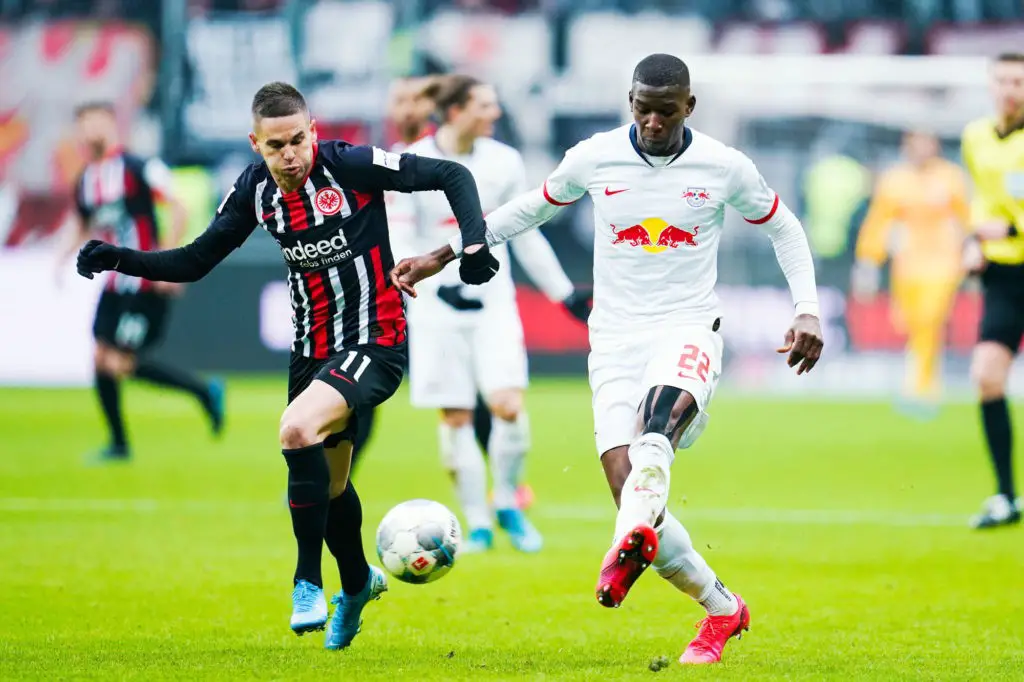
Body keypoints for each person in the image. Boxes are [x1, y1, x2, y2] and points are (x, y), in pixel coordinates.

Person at [392, 54, 823, 665]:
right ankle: (722, 607)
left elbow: (785, 228)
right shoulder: (595, 157)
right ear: (630, 103)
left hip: (688, 325)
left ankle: (621, 548)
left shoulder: (724, 166)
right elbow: (529, 209)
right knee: (633, 492)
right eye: (643, 109)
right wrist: (442, 254)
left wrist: (806, 308)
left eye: (666, 111)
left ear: (689, 107)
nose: (653, 122)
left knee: (655, 432)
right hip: (614, 340)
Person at [75, 82, 499, 649]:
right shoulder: (254, 190)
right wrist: (118, 258)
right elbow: (196, 260)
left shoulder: (349, 164)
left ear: (313, 131)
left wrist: (473, 244)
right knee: (333, 486)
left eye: (298, 140)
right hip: (311, 350)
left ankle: (307, 582)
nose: (291, 155)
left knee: (296, 430)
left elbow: (452, 174)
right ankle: (358, 584)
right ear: (257, 144)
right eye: (276, 146)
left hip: (376, 338)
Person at [389, 74, 590, 554]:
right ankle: (477, 524)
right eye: (484, 105)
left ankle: (507, 503)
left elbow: (526, 232)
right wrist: (429, 286)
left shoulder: (504, 162)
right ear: (456, 111)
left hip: (493, 303)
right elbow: (399, 234)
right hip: (435, 310)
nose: (494, 113)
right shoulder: (409, 162)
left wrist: (562, 293)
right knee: (456, 416)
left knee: (508, 405)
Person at [56, 102, 224, 462]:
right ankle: (118, 443)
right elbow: (84, 223)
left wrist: (167, 262)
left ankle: (203, 391)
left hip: (144, 280)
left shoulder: (138, 167)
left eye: (96, 122)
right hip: (114, 284)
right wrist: (61, 258)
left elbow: (178, 206)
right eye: (84, 124)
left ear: (111, 125)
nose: (90, 131)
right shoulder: (86, 180)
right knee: (100, 358)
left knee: (119, 361)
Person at [851, 130, 969, 418]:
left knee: (930, 319)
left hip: (943, 262)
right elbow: (878, 222)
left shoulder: (951, 178)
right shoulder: (895, 180)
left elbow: (966, 217)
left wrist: (972, 252)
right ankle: (919, 379)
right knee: (911, 323)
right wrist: (868, 261)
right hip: (907, 264)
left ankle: (923, 387)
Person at [960, 52, 1024, 530]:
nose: (1010, 90)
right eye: (1003, 81)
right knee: (986, 375)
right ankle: (1006, 497)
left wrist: (1012, 229)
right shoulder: (976, 137)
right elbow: (983, 200)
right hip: (1004, 276)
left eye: (1019, 82)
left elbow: (1006, 217)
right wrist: (974, 241)